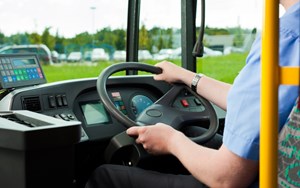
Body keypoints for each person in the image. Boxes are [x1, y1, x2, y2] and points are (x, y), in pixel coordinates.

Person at [85, 0, 299, 187]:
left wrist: (171, 140)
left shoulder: (284, 37)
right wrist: (187, 76)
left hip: (253, 180)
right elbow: (254, 101)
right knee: (196, 133)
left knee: (106, 176)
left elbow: (226, 178)